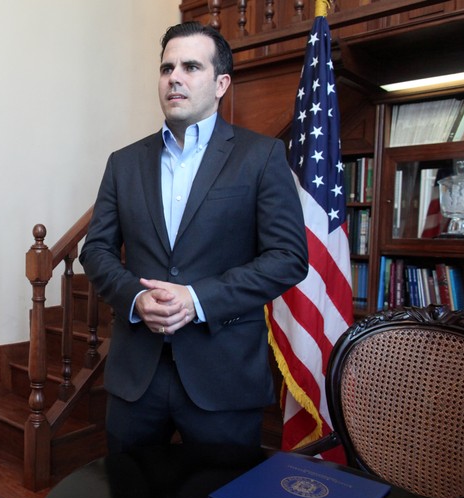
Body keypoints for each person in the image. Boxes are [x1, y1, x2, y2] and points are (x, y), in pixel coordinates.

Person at [79, 21, 308, 454]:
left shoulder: (261, 156)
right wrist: (134, 297)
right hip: (137, 377)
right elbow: (96, 249)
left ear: (221, 83)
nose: (174, 78)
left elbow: (288, 257)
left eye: (190, 67)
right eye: (166, 68)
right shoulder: (124, 162)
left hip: (222, 375)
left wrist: (196, 299)